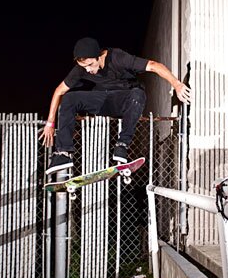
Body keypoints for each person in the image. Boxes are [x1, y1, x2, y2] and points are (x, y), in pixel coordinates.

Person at [40, 37, 191, 175]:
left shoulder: (118, 58)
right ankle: (63, 154)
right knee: (69, 97)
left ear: (99, 56)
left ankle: (122, 145)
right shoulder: (81, 69)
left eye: (90, 65)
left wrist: (177, 85)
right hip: (103, 102)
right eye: (84, 67)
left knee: (138, 93)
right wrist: (50, 123)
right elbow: (58, 91)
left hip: (127, 102)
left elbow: (153, 65)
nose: (88, 70)